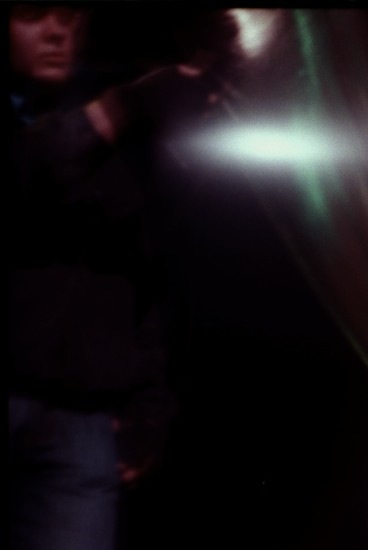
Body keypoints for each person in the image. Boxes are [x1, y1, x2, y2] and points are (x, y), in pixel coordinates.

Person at [7, 4, 239, 550]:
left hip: (82, 427)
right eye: (34, 13)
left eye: (70, 15)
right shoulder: (101, 117)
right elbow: (27, 169)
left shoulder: (127, 144)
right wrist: (127, 105)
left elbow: (154, 284)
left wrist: (153, 409)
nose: (58, 31)